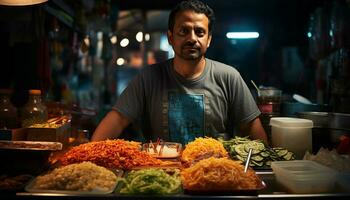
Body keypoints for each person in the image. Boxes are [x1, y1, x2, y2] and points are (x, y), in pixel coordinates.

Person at [92, 0, 268, 144]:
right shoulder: (149, 78)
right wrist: (87, 157)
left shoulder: (229, 77)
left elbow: (251, 128)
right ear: (170, 37)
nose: (192, 38)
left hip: (215, 175)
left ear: (209, 40)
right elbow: (117, 120)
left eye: (199, 32)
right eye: (184, 31)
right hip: (162, 173)